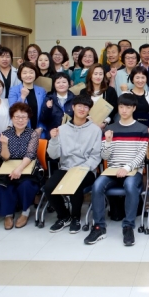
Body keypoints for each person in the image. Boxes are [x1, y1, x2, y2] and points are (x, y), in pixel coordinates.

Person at [87, 93, 149, 246]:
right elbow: (104, 155)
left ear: (133, 108)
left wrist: (127, 168)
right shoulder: (110, 128)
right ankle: (99, 227)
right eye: (121, 107)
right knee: (97, 185)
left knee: (129, 185)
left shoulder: (142, 129)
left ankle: (128, 226)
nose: (124, 110)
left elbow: (142, 154)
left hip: (133, 170)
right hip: (113, 169)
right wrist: (107, 142)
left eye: (128, 107)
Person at [45, 95, 101, 234]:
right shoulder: (62, 129)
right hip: (65, 167)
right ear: (73, 107)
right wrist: (53, 139)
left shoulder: (95, 130)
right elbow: (53, 155)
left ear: (89, 110)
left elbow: (96, 156)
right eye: (80, 106)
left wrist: (81, 169)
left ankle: (76, 217)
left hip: (86, 169)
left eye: (86, 107)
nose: (82, 109)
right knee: (49, 187)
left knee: (76, 184)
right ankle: (64, 216)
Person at [0, 102, 41, 230]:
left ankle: (25, 212)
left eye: (24, 117)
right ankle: (8, 214)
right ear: (12, 118)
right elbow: (4, 157)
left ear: (28, 119)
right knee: (5, 184)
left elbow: (30, 154)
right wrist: (4, 144)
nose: (20, 120)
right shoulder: (5, 133)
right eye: (17, 117)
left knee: (26, 184)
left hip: (28, 164)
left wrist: (19, 169)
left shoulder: (32, 134)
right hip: (9, 164)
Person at [8, 62, 47, 136]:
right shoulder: (14, 90)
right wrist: (22, 96)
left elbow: (45, 113)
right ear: (20, 75)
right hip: (20, 132)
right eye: (24, 73)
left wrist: (41, 128)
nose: (28, 75)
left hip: (39, 133)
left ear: (35, 74)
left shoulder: (41, 91)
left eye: (31, 72)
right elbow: (13, 111)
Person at [81, 63, 118, 129]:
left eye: (100, 74)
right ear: (90, 75)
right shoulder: (83, 92)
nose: (98, 77)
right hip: (87, 126)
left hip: (106, 127)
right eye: (95, 74)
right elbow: (81, 108)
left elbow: (114, 109)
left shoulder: (110, 91)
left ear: (104, 76)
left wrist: (105, 122)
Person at [40, 72, 75, 137]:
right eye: (58, 82)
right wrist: (48, 108)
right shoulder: (49, 98)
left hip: (71, 135)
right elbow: (43, 119)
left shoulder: (75, 99)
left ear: (69, 84)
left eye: (64, 82)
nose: (61, 84)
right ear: (54, 85)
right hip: (53, 135)